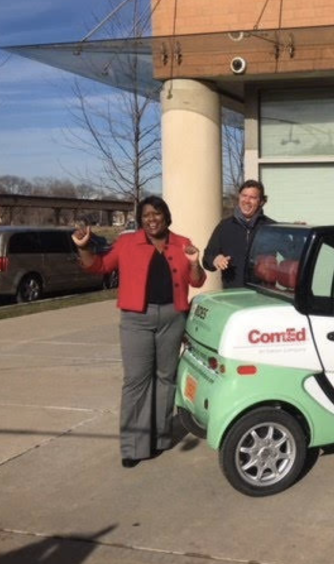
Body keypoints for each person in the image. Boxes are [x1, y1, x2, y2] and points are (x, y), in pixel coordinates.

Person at [73, 196, 205, 468]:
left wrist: (194, 262)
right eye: (146, 215)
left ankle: (160, 437)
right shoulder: (127, 243)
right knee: (136, 380)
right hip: (136, 320)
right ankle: (134, 445)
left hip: (173, 317)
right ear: (140, 219)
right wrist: (84, 247)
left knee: (165, 378)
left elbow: (197, 280)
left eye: (157, 213)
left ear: (166, 216)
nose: (151, 219)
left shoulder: (182, 243)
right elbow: (99, 266)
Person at [203, 179, 274, 288]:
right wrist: (215, 259)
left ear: (261, 202)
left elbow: (292, 256)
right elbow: (207, 258)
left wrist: (297, 237)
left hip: (263, 294)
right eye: (244, 196)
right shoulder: (224, 226)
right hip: (233, 294)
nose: (247, 200)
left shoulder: (271, 228)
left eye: (253, 197)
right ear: (239, 197)